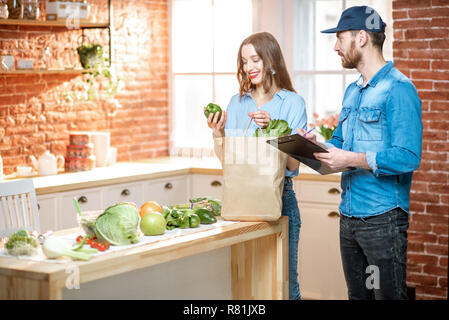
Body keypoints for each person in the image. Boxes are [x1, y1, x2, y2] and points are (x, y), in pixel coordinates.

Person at [298, 6, 422, 300]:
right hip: (349, 219)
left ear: (362, 38)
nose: (336, 46)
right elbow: (340, 143)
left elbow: (408, 156)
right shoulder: (352, 91)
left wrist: (352, 160)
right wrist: (317, 144)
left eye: (340, 38)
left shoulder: (399, 89)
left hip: (383, 221)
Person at [206, 32, 307, 300]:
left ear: (270, 60)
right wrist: (218, 134)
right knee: (247, 281)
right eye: (244, 61)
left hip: (280, 200)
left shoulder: (293, 103)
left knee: (285, 284)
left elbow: (294, 164)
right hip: (242, 200)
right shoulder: (237, 102)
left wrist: (273, 128)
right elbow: (230, 162)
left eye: (255, 59)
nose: (248, 67)